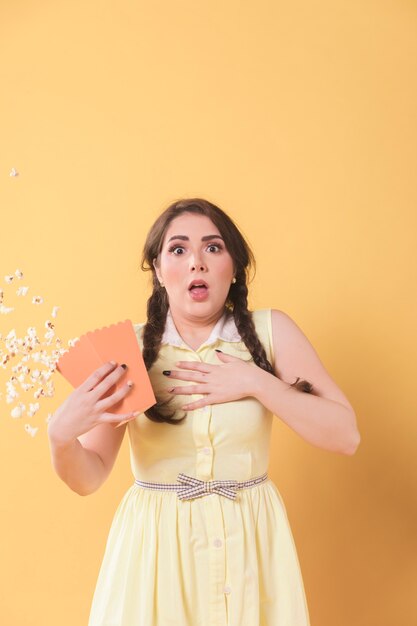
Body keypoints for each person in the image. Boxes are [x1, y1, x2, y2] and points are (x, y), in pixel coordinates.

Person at [47, 197, 360, 626]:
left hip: (252, 547)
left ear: (234, 267)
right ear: (158, 271)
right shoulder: (130, 350)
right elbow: (90, 475)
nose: (197, 262)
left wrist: (256, 382)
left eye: (213, 248)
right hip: (154, 556)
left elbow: (346, 436)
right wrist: (60, 437)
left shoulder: (272, 333)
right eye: (178, 250)